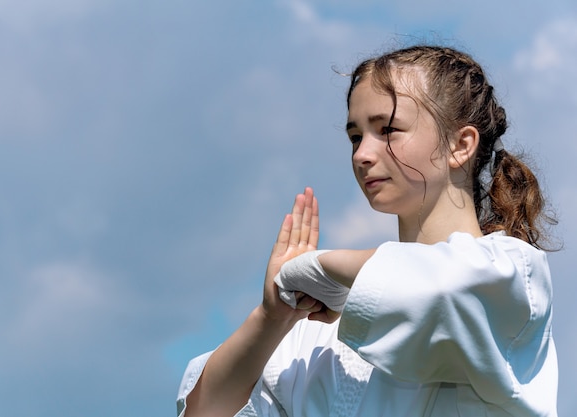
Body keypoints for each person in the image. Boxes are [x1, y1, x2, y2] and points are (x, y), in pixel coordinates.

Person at [176, 45, 558, 416]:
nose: (361, 154)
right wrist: (272, 316)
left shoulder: (512, 275)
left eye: (388, 129)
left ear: (461, 145)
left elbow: (441, 289)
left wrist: (318, 266)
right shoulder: (321, 333)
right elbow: (206, 412)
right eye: (356, 136)